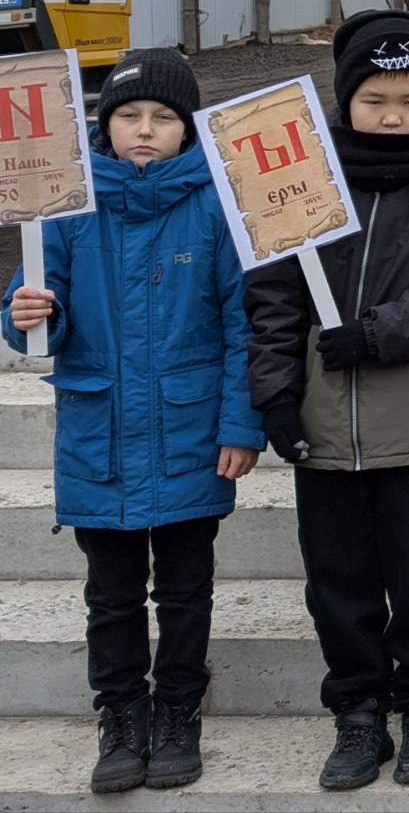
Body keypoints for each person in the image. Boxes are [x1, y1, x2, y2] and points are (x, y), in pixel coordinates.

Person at [4, 51, 258, 794]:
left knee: (185, 591)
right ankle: (120, 715)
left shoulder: (215, 205)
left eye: (163, 118)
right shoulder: (65, 206)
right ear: (103, 126)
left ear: (188, 130)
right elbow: (31, 307)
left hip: (189, 432)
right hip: (99, 433)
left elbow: (244, 326)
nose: (144, 130)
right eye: (128, 115)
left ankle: (178, 711)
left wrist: (240, 425)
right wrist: (22, 317)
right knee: (110, 595)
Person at [245, 11, 409, 791]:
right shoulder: (304, 186)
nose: (391, 114)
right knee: (337, 582)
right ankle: (356, 713)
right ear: (344, 98)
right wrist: (277, 393)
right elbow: (275, 295)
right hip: (326, 422)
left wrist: (378, 332)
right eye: (375, 98)